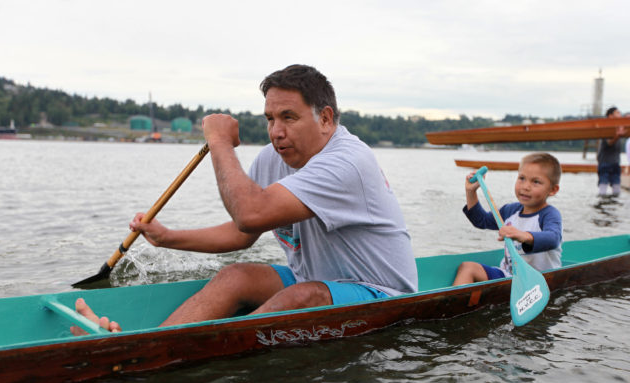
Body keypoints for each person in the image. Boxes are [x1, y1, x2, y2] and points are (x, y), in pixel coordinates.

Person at [73, 64, 418, 333]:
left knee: (302, 296)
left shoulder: (348, 162)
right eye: (270, 118)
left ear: (325, 118)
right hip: (315, 280)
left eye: (289, 117)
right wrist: (168, 238)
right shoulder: (273, 158)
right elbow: (242, 233)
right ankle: (156, 340)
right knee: (236, 276)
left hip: (381, 294)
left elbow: (250, 214)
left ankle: (177, 349)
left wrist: (220, 143)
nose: (276, 131)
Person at [452, 153, 563, 286]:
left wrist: (522, 235)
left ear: (553, 190)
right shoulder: (510, 210)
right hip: (509, 275)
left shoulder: (550, 214)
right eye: (522, 178)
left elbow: (553, 238)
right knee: (467, 268)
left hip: (539, 279)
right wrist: (471, 192)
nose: (526, 186)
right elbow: (481, 221)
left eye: (536, 182)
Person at [596, 106, 626, 196]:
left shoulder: (619, 127)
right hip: (605, 162)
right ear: (610, 116)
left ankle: (613, 204)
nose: (620, 114)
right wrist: (618, 136)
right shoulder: (606, 128)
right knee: (603, 188)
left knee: (617, 189)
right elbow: (609, 143)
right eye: (617, 113)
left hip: (615, 162)